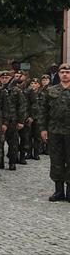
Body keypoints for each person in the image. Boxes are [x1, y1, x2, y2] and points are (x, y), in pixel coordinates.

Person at [38, 63, 70, 202]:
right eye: (62, 72)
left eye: (68, 72)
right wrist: (43, 129)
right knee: (56, 160)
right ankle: (58, 190)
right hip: (55, 131)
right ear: (58, 74)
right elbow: (43, 111)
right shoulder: (51, 91)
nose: (65, 74)